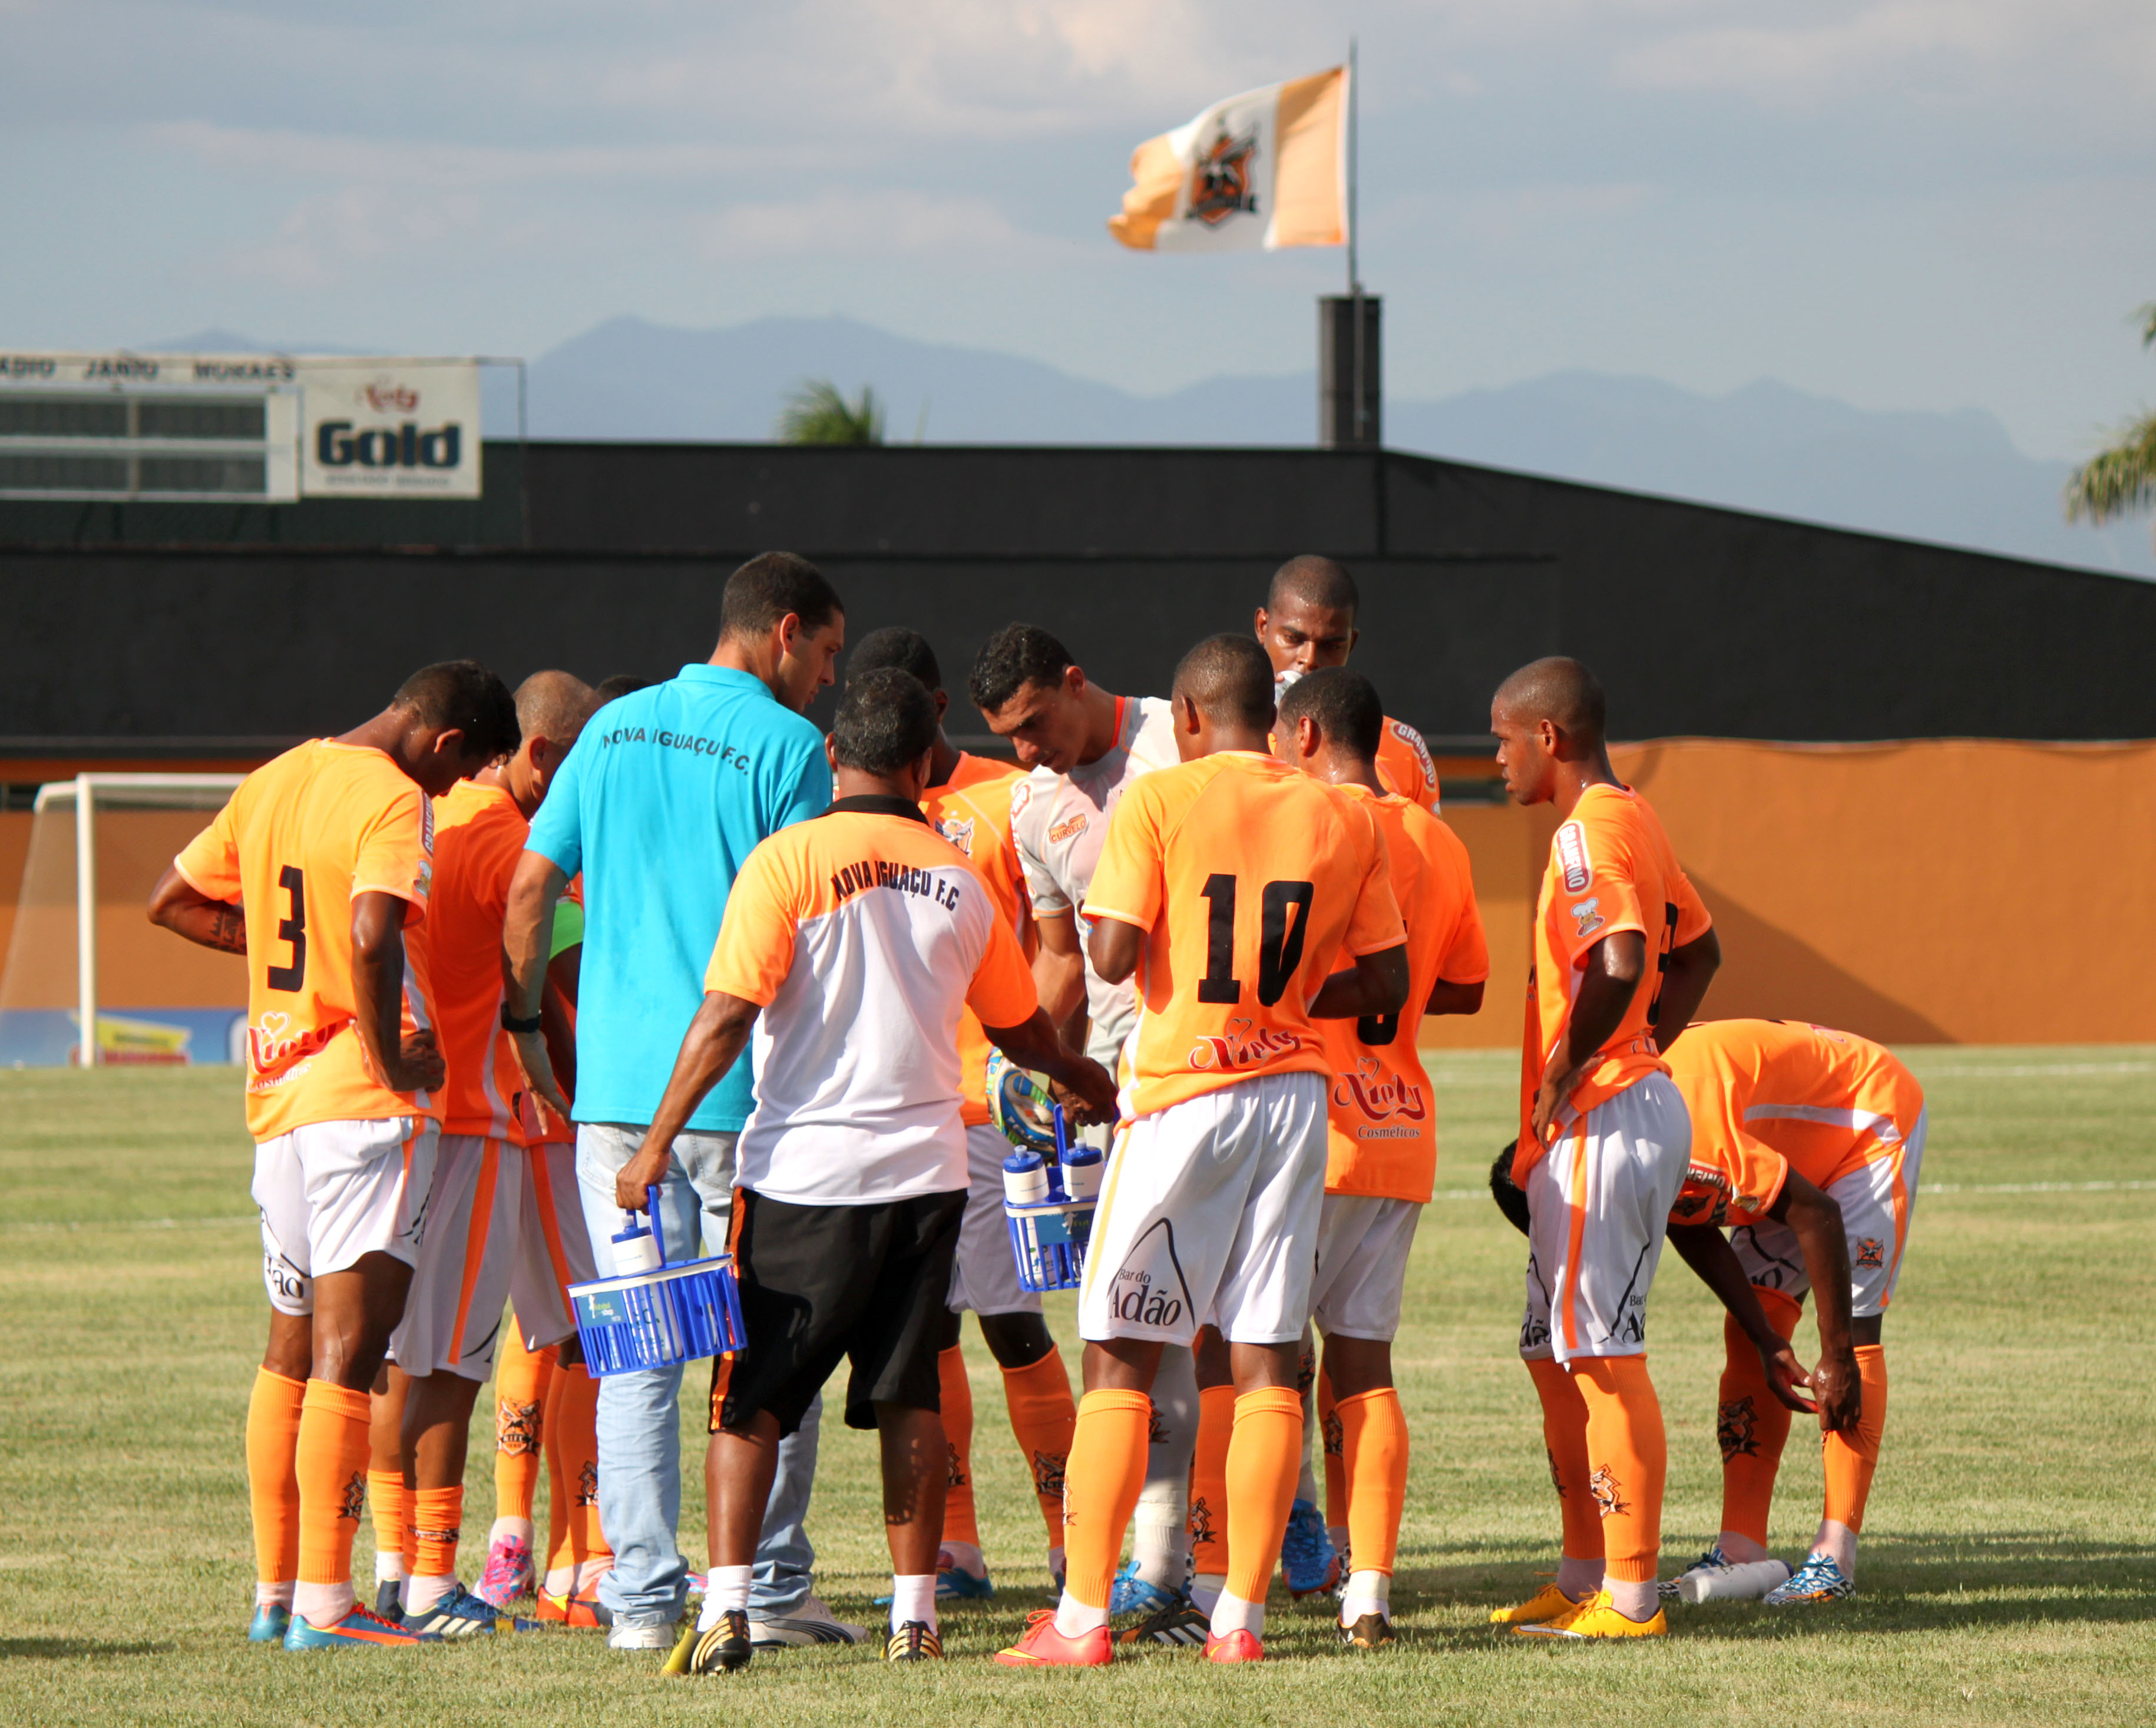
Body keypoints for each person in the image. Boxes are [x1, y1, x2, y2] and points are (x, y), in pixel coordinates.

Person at [634, 670, 1119, 1673]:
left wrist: (653, 1144)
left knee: (749, 1397)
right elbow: (1021, 1026)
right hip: (926, 1174)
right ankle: (916, 1615)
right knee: (910, 1396)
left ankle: (726, 1606)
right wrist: (1082, 1075)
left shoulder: (786, 860)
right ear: (921, 758)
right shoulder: (956, 870)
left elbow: (727, 1013)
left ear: (830, 756)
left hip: (800, 1174)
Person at [996, 633, 1410, 1669]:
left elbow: (1114, 953)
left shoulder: (1159, 797)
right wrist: (1305, 994)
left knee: (1118, 1347)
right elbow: (1388, 976)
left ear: (1185, 713)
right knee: (1269, 1350)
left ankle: (1083, 1618)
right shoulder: (1341, 809)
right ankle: (1243, 1619)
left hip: (1186, 1088)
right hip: (1297, 1094)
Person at [501, 552, 858, 1653]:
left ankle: (643, 1601)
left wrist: (524, 1027)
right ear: (784, 630)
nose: (831, 680)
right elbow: (804, 922)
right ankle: (768, 1584)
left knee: (637, 1352)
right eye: (830, 654)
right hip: (745, 1095)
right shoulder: (792, 748)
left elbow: (528, 888)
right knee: (771, 1354)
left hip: (616, 1100)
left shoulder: (608, 730)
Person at [147, 660, 517, 1650]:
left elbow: (171, 899)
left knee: (288, 1348)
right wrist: (394, 1044)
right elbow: (370, 926)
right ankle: (326, 1602)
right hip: (363, 1101)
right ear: (446, 746)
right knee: (353, 1356)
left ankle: (274, 1594)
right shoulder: (393, 796)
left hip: (278, 1096)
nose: (450, 795)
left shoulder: (274, 777)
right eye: (462, 773)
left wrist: (292, 960)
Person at [969, 623, 1202, 1617]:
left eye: (1032, 724)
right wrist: (1031, 1058)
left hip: (1209, 1076)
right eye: (1007, 736)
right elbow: (1062, 956)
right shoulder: (1034, 802)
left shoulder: (1177, 739)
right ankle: (1169, 1561)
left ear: (1074, 681)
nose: (1024, 752)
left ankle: (1229, 1546)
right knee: (1135, 1318)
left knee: (1221, 1325)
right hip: (1115, 1096)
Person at [1485, 656, 1719, 1641]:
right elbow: (1698, 946)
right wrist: (1643, 1044)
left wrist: (1577, 1063)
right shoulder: (1634, 815)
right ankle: (1587, 1569)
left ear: (1548, 736)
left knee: (1602, 1355)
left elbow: (1623, 958)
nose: (1494, 758)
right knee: (1554, 1351)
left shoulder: (1590, 830)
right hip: (1615, 1107)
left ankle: (1630, 1595)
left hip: (1607, 1117)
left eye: (1501, 738)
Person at [365, 671, 599, 1638]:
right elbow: (553, 981)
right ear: (540, 755)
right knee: (556, 1336)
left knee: (402, 1351)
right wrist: (588, 1100)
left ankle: (394, 1565)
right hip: (499, 1113)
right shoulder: (518, 842)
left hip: (413, 1107)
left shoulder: (432, 813)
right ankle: (522, 1566)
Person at [845, 628, 1078, 1600]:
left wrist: (1036, 1069)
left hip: (990, 1105)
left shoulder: (1002, 796)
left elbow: (1056, 941)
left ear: (940, 711)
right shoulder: (856, 809)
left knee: (1012, 1321)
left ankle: (1072, 1535)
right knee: (925, 1331)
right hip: (901, 1110)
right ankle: (959, 1543)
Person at [1276, 669, 1489, 1647]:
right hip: (1401, 1122)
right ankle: (1369, 1592)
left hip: (1309, 1124)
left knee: (1252, 1358)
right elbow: (1463, 986)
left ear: (1308, 731)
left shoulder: (1309, 821)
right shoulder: (1440, 837)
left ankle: (1224, 1586)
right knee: (1365, 1368)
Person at [1658, 1018, 1926, 1605]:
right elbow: (1688, 1221)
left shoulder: (1694, 1131)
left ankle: (1835, 1559)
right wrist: (1766, 1338)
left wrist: (1833, 1355)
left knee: (1851, 1338)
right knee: (1750, 1333)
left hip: (1867, 1121)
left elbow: (1818, 1215)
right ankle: (1741, 1550)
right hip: (1790, 1152)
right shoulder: (1642, 1119)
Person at [1254, 554, 1441, 812]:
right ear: (1263, 627)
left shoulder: (1403, 747)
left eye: (1330, 646)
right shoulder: (1224, 736)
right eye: (1293, 639)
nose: (1309, 660)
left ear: (1351, 644)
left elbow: (1424, 847)